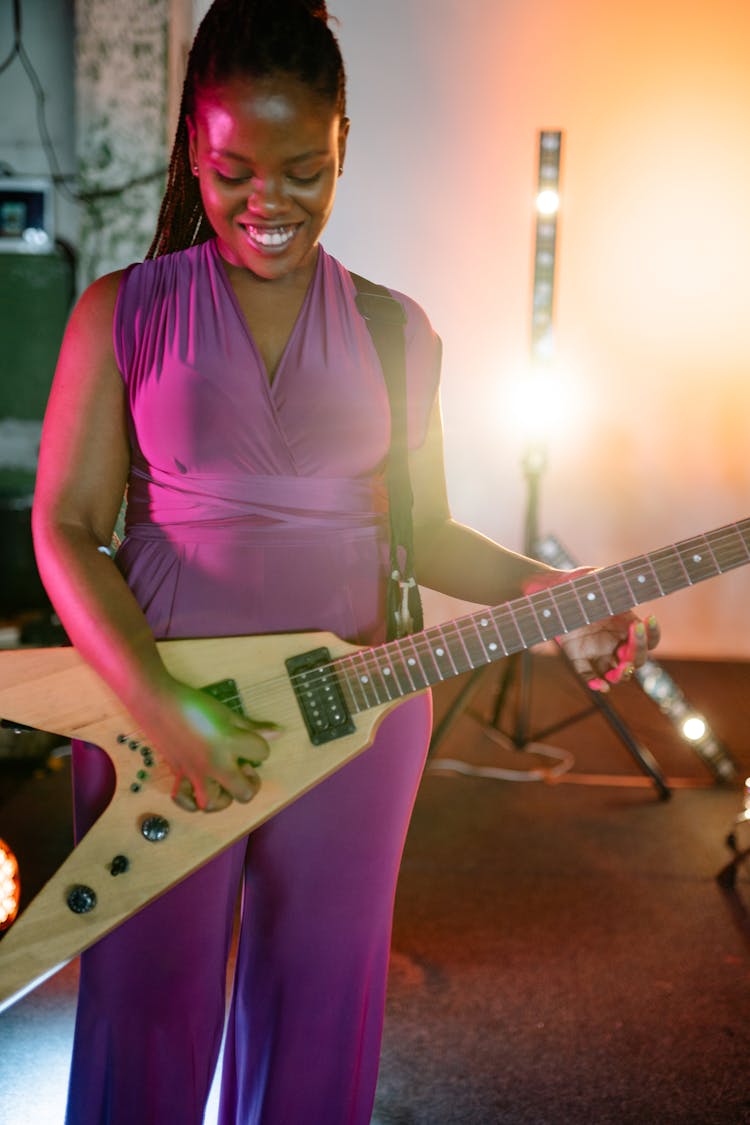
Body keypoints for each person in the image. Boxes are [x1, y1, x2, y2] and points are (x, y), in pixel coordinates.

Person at [31, 2, 659, 1122]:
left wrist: (554, 598)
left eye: (302, 170)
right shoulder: (120, 312)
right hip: (155, 708)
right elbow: (67, 526)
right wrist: (162, 705)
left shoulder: (396, 330)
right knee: (146, 1003)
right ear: (192, 148)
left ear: (344, 147)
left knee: (320, 1007)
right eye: (233, 170)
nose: (267, 203)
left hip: (362, 713)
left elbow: (427, 534)